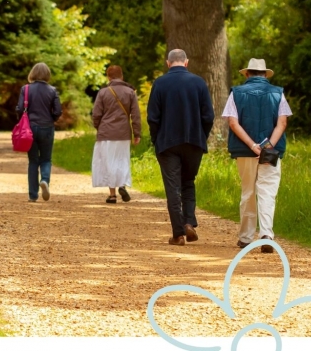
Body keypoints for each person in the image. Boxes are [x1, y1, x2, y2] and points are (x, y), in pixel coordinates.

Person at [222, 58, 292, 253]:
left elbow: (233, 123)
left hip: (245, 151)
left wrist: (253, 146)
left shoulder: (236, 93)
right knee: (268, 191)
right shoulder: (278, 93)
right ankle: (266, 234)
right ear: (265, 75)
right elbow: (282, 123)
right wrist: (268, 145)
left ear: (247, 74)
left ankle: (245, 238)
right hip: (271, 150)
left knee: (248, 191)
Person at [147, 49, 215, 246]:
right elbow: (208, 117)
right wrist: (202, 136)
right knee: (188, 182)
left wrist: (156, 140)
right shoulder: (199, 83)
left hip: (167, 143)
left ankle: (178, 234)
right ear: (186, 62)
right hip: (194, 142)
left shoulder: (159, 83)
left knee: (172, 187)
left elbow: (153, 117)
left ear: (168, 63)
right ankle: (188, 222)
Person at [91, 65, 142, 203]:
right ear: (122, 76)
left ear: (109, 77)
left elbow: (96, 114)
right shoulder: (130, 92)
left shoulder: (103, 93)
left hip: (106, 133)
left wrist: (99, 127)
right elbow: (135, 115)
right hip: (123, 133)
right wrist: (137, 133)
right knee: (122, 160)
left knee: (108, 162)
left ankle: (112, 195)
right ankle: (122, 185)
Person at [16, 62, 62, 202]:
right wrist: (52, 119)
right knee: (46, 159)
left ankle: (33, 195)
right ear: (47, 75)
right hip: (47, 127)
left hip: (30, 128)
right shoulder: (52, 90)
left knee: (33, 161)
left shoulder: (26, 88)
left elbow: (19, 108)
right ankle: (45, 180)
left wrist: (22, 121)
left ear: (32, 74)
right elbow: (58, 111)